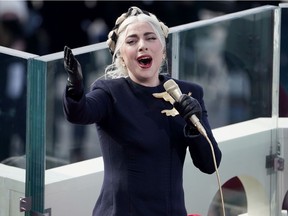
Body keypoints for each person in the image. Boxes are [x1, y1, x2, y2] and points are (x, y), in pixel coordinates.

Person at [63, 6, 222, 216]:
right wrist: (74, 87)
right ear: (121, 56)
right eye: (132, 41)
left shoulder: (189, 93)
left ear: (163, 49)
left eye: (150, 38)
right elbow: (80, 112)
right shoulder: (109, 92)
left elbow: (210, 164)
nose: (142, 46)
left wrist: (194, 124)